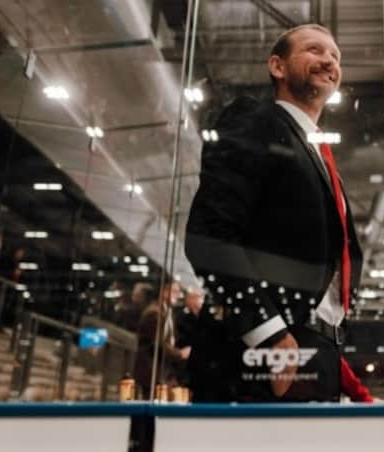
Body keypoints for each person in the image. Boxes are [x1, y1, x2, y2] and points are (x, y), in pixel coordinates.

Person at [184, 23, 362, 403]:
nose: (329, 59)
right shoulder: (255, 121)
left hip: (315, 350)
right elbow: (210, 234)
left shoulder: (317, 153)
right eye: (314, 49)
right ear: (278, 67)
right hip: (264, 352)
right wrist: (270, 335)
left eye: (335, 56)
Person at [133, 281, 190, 398]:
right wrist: (180, 354)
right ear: (164, 292)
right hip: (153, 374)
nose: (177, 295)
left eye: (178, 292)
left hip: (162, 372)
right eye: (174, 291)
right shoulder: (154, 313)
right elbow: (158, 344)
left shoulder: (165, 312)